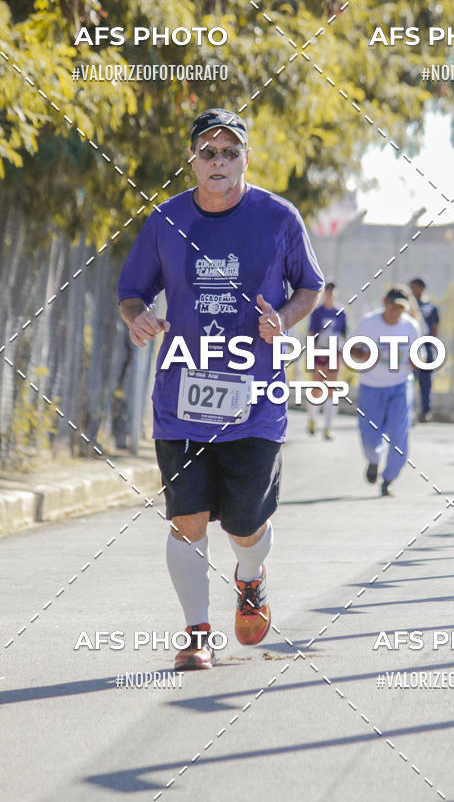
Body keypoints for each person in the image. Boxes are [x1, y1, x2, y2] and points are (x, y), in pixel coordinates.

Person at [118, 108, 323, 669]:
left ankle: (250, 580)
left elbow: (309, 285)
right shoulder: (165, 221)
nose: (218, 161)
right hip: (181, 399)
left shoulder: (278, 217)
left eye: (229, 152)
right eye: (207, 152)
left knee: (244, 523)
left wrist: (282, 318)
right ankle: (196, 632)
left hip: (255, 400)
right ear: (192, 160)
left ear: (245, 160)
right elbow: (132, 291)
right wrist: (137, 318)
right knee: (186, 521)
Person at [351, 287, 421, 496]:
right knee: (370, 437)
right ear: (384, 302)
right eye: (393, 306)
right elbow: (350, 348)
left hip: (400, 386)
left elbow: (419, 357)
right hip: (371, 387)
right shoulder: (368, 323)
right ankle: (373, 460)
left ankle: (389, 478)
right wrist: (362, 354)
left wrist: (417, 361)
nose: (395, 312)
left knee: (399, 435)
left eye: (400, 308)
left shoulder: (411, 326)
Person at [306, 281, 347, 440]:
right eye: (327, 290)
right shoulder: (318, 312)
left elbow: (344, 335)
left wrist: (341, 355)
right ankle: (312, 419)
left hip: (334, 354)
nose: (330, 293)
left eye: (332, 290)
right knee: (317, 389)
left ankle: (328, 427)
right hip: (319, 354)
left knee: (331, 390)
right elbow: (311, 333)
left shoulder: (341, 312)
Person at [409, 277, 439, 422]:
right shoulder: (408, 307)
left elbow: (435, 327)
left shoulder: (430, 307)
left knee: (426, 381)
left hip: (425, 346)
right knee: (409, 380)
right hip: (411, 346)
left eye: (416, 287)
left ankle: (426, 411)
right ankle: (410, 411)